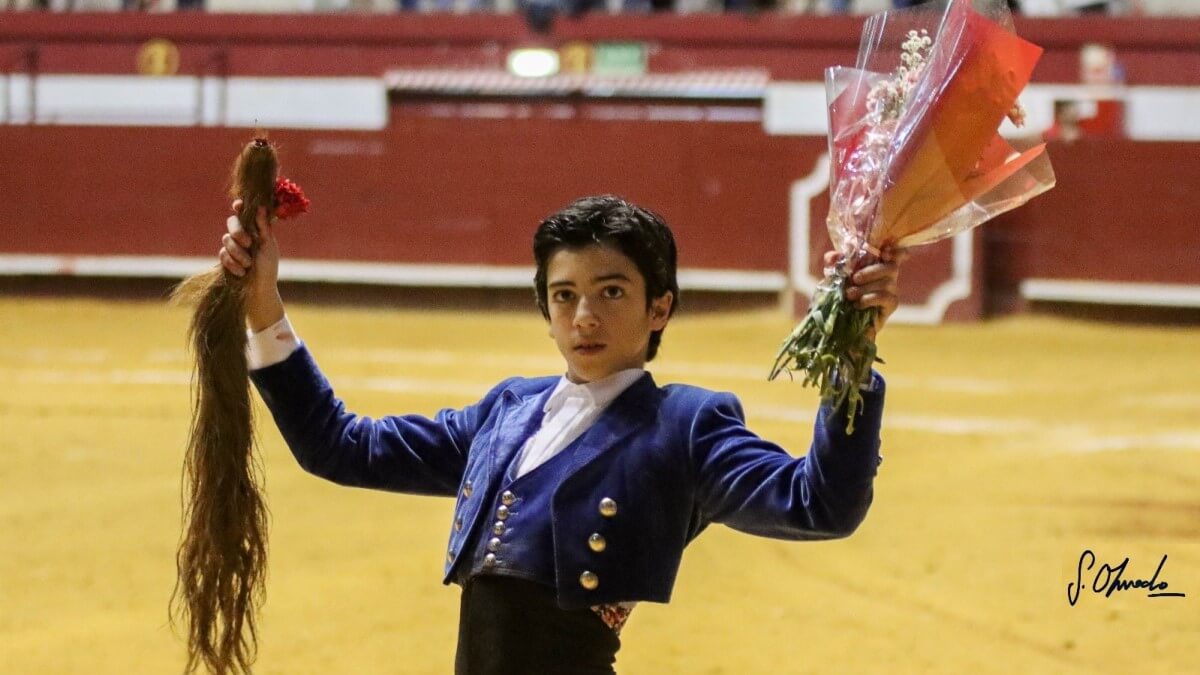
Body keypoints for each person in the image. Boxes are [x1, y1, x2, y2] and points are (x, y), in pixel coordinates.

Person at [217, 194, 905, 674]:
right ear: (544, 307)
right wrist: (263, 305)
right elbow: (339, 445)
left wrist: (851, 356)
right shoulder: (506, 412)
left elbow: (819, 504)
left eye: (612, 292)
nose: (584, 317)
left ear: (659, 306)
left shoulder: (687, 426)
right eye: (565, 294)